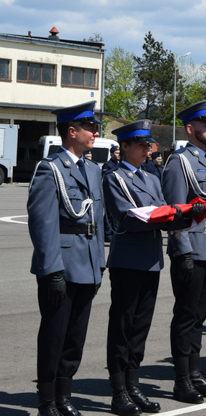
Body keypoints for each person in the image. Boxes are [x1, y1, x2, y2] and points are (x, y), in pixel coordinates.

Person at [104, 119, 199, 416]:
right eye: (142, 145)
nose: (148, 150)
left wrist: (186, 215)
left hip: (150, 260)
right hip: (127, 260)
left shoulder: (150, 178)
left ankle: (134, 386)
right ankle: (119, 390)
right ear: (126, 147)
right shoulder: (114, 178)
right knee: (123, 327)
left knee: (140, 328)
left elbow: (163, 212)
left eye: (149, 145)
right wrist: (167, 214)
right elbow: (127, 218)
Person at [28, 101, 106, 416]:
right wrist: (52, 271)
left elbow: (98, 220)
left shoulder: (93, 169)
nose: (96, 131)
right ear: (72, 131)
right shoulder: (50, 168)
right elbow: (42, 223)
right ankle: (47, 401)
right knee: (54, 335)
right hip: (61, 264)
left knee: (75, 337)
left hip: (87, 263)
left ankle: (64, 396)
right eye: (90, 127)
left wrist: (99, 260)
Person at [161, 101, 206, 403]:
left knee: (200, 316)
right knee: (186, 315)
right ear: (191, 129)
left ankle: (196, 373)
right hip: (192, 248)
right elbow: (175, 212)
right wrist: (182, 251)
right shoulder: (179, 162)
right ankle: (182, 380)